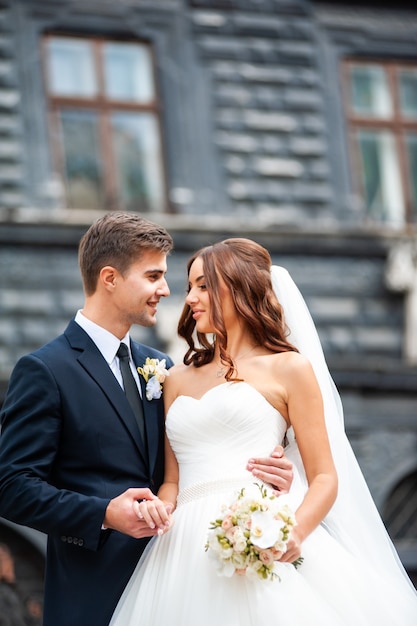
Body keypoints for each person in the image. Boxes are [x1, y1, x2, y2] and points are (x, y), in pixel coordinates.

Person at [0, 214, 293, 626]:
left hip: (182, 582)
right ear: (110, 278)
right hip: (94, 591)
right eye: (153, 275)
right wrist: (104, 513)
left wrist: (267, 470)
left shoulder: (163, 367)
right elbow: (12, 487)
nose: (166, 290)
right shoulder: (45, 370)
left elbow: (194, 457)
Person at [110, 237, 417, 626]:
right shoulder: (176, 379)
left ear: (239, 288)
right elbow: (173, 480)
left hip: (259, 531)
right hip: (181, 548)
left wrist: (295, 532)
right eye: (190, 287)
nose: (190, 299)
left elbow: (324, 476)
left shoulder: (290, 369)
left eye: (204, 286)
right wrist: (161, 508)